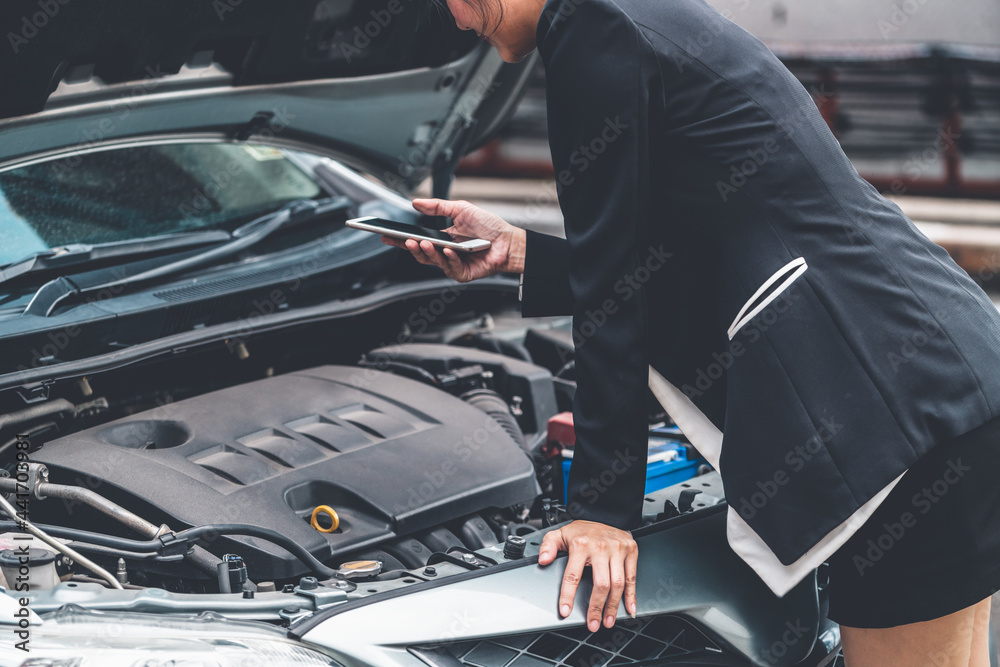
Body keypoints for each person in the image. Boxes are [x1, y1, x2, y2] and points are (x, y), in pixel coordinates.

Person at [383, 0, 1000, 663]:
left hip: (893, 420)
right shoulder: (628, 13)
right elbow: (687, 246)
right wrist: (523, 251)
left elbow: (615, 293)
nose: (448, 16)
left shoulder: (594, 32)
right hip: (940, 375)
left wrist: (600, 510)